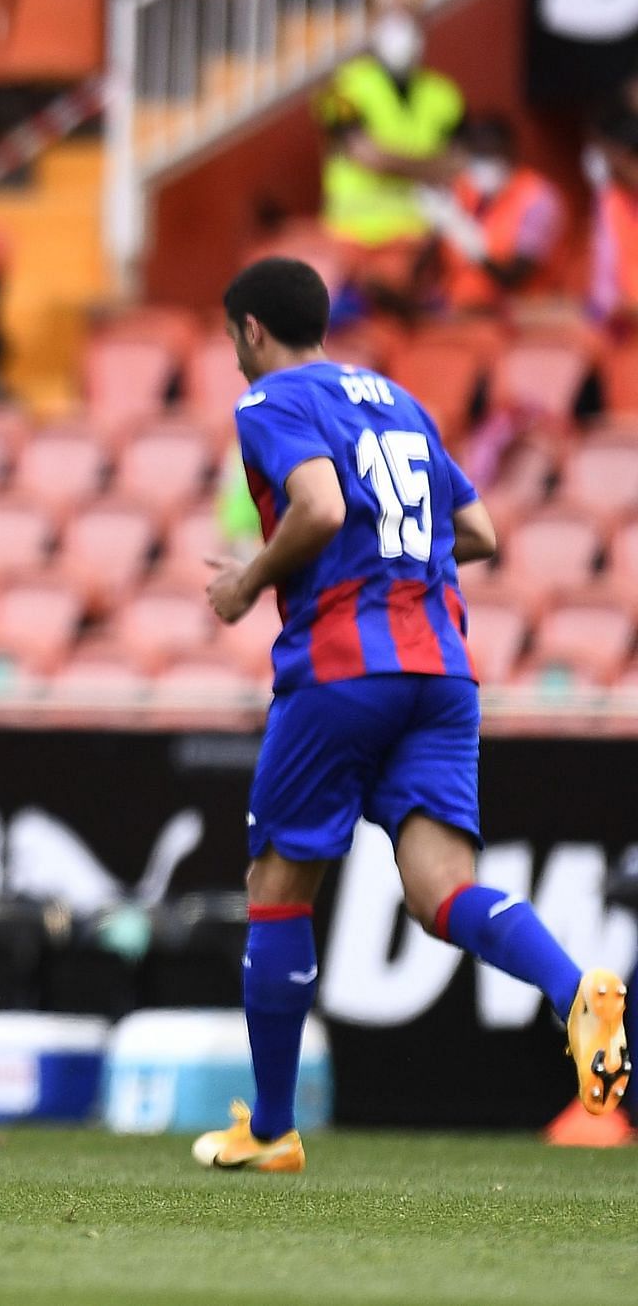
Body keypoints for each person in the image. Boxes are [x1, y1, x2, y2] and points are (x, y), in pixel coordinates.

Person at [193, 257, 629, 1173]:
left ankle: (271, 1131)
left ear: (251, 331)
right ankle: (572, 988)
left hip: (345, 668)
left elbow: (316, 504)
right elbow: (480, 533)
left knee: (278, 891)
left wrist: (246, 583)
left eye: (234, 338)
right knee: (442, 892)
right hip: (442, 670)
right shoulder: (396, 399)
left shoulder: (270, 403)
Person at [316, 9, 464, 251]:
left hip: (417, 235)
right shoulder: (343, 86)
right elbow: (366, 156)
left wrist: (390, 161)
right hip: (352, 236)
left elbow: (459, 162)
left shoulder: (444, 94)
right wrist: (432, 168)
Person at [418, 117, 566, 315]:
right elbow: (429, 265)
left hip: (522, 317)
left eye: (490, 154)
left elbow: (514, 277)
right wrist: (435, 225)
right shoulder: (465, 192)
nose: (482, 163)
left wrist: (472, 244)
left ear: (510, 152)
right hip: (460, 313)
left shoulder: (538, 197)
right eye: (476, 155)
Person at [588, 111, 638, 330]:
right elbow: (604, 268)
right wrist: (604, 308)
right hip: (623, 331)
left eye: (605, 152)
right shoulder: (609, 199)